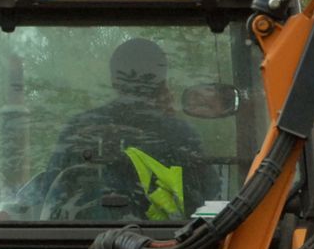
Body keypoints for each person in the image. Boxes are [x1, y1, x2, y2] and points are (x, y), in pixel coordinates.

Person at [42, 37, 204, 221]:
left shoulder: (78, 129)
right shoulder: (182, 134)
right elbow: (203, 201)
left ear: (113, 80)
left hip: (81, 244)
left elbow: (49, 193)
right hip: (170, 244)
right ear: (162, 80)